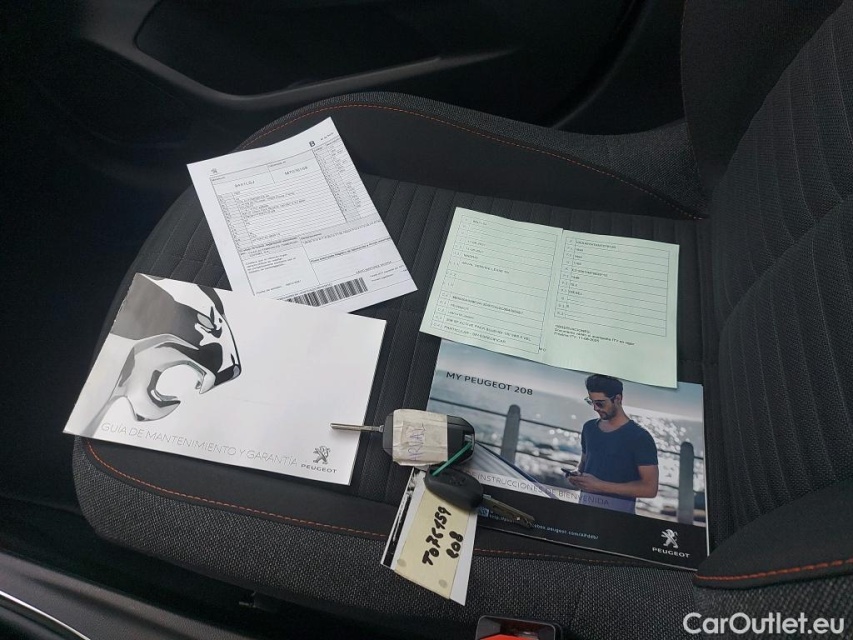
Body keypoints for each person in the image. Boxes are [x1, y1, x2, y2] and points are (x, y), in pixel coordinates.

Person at [566, 374, 658, 514]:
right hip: (584, 513)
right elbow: (584, 465)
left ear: (618, 399)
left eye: (600, 403)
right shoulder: (589, 428)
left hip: (617, 520)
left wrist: (599, 486)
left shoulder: (640, 438)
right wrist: (577, 476)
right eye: (591, 402)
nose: (595, 408)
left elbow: (650, 489)